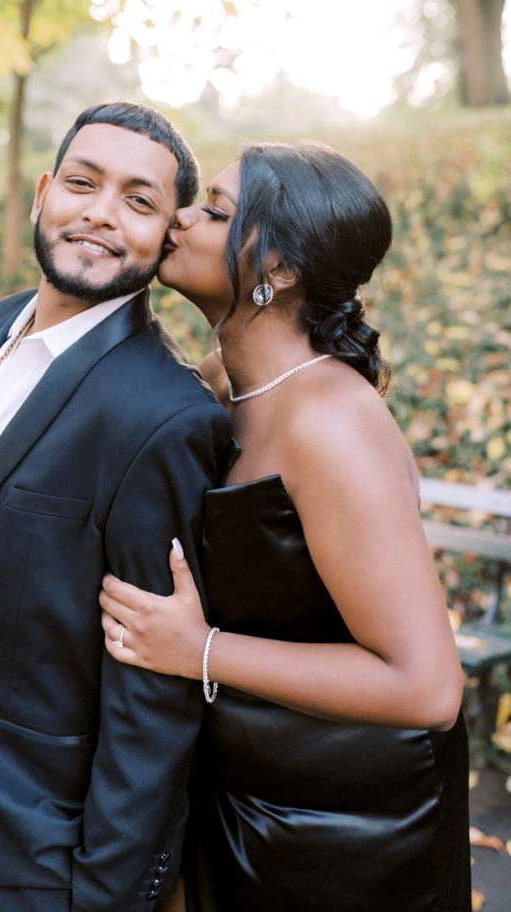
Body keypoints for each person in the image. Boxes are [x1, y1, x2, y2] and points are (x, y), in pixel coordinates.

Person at [0, 102, 234, 912]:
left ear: (168, 233)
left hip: (52, 858)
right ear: (42, 194)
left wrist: (103, 893)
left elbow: (153, 694)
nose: (101, 212)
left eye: (138, 201)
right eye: (81, 183)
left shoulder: (166, 417)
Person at [100, 143, 472, 912]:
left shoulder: (329, 421)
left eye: (216, 211)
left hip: (347, 830)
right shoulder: (217, 388)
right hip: (237, 789)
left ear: (281, 268)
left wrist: (195, 650)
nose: (182, 218)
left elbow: (426, 686)